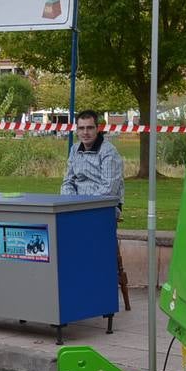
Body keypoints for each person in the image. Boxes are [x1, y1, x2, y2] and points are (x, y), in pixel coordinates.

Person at [60, 110, 129, 309]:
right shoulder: (74, 150)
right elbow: (67, 182)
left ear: (98, 128)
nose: (85, 132)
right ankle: (74, 288)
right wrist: (72, 203)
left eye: (90, 128)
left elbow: (108, 189)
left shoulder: (109, 153)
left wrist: (82, 207)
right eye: (81, 128)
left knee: (80, 236)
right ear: (76, 130)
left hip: (104, 208)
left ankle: (93, 290)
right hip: (77, 207)